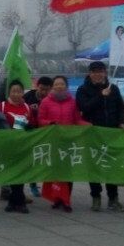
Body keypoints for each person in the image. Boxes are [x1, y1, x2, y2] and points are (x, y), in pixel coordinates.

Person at [75, 61, 124, 212]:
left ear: (105, 72)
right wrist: (100, 95)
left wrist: (121, 122)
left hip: (111, 133)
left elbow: (120, 107)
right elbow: (84, 107)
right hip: (92, 133)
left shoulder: (113, 88)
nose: (97, 74)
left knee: (111, 166)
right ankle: (96, 197)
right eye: (94, 72)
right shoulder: (83, 89)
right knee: (94, 166)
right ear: (90, 73)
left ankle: (113, 199)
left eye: (100, 71)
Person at [38, 75, 87, 212]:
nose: (59, 86)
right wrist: (50, 123)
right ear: (52, 87)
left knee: (67, 171)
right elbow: (40, 120)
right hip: (53, 141)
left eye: (62, 84)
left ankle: (66, 200)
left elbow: (77, 119)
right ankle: (56, 198)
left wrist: (88, 125)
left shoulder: (72, 102)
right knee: (54, 170)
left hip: (68, 142)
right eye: (56, 84)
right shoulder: (46, 102)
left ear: (66, 86)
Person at [0, 79, 34, 213]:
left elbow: (32, 125)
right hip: (7, 145)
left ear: (22, 93)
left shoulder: (27, 108)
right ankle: (17, 201)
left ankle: (15, 202)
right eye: (13, 91)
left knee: (20, 172)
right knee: (11, 173)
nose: (16, 94)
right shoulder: (2, 106)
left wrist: (28, 126)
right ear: (9, 92)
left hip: (22, 145)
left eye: (19, 91)